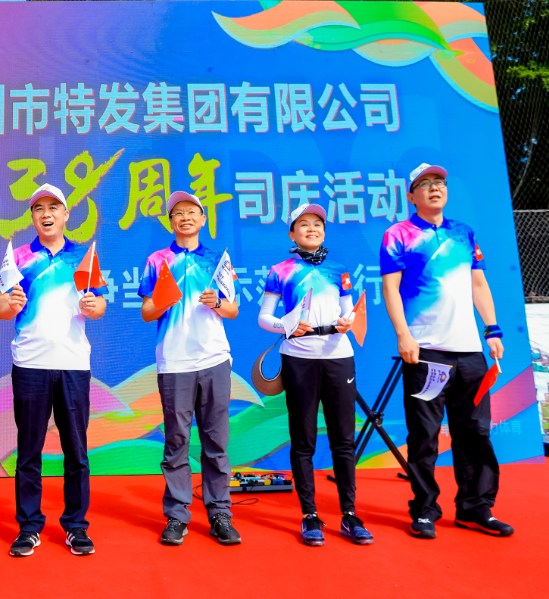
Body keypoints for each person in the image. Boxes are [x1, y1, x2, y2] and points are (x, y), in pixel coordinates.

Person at [381, 163, 513, 539]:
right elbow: (390, 288)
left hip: (470, 353)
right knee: (424, 435)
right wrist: (404, 336)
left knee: (475, 432)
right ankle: (425, 509)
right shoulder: (399, 234)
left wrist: (492, 329)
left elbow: (479, 284)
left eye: (439, 182)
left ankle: (475, 507)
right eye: (425, 184)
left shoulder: (463, 233)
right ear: (411, 196)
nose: (434, 188)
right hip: (427, 352)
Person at [0, 183, 108, 557]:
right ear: (32, 216)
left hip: (73, 364)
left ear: (65, 214)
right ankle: (29, 527)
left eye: (53, 207)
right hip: (30, 364)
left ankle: (76, 526)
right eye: (39, 208)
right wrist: (10, 303)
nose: (46, 214)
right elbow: (0, 309)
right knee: (29, 451)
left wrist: (93, 307)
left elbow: (100, 305)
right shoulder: (18, 258)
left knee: (76, 451)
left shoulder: (83, 257)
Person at [258, 203, 374, 547]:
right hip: (299, 358)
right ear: (291, 234)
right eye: (304, 224)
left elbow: (349, 312)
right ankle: (309, 515)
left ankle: (349, 514)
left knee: (343, 439)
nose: (312, 229)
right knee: (303, 440)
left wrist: (348, 321)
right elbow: (264, 317)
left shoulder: (339, 269)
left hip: (339, 356)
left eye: (318, 224)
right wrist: (287, 326)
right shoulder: (281, 271)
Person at [137, 191, 242, 547]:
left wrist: (218, 303)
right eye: (177, 213)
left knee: (216, 441)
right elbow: (147, 312)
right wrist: (162, 301)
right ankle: (177, 515)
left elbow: (233, 310)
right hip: (174, 362)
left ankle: (220, 513)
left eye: (191, 212)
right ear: (171, 222)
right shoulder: (157, 261)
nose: (185, 218)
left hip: (214, 359)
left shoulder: (217, 260)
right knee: (176, 441)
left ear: (202, 219)